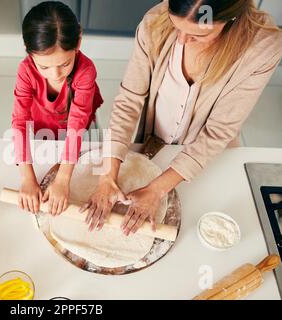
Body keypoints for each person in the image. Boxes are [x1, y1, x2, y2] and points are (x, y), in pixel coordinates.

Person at [82, 0, 282, 235]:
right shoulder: (155, 22)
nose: (181, 40)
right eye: (176, 27)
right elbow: (129, 100)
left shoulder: (262, 47)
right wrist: (107, 176)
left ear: (230, 20)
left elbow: (217, 133)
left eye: (196, 36)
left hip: (210, 156)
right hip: (155, 142)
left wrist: (156, 190)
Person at [12, 1, 103, 216]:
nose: (55, 74)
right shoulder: (25, 71)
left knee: (88, 161)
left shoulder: (86, 70)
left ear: (78, 42)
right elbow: (20, 122)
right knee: (49, 155)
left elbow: (77, 125)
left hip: (80, 127)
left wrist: (63, 179)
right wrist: (27, 177)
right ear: (29, 52)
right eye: (44, 67)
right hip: (44, 124)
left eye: (65, 64)